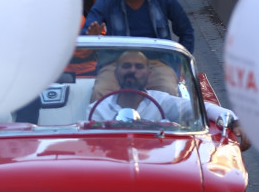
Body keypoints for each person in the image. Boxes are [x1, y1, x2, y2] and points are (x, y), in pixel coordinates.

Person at [84, 0, 194, 99]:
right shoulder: (108, 0)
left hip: (157, 63)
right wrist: (91, 37)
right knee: (99, 93)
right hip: (116, 64)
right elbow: (88, 28)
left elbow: (187, 32)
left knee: (168, 93)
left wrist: (178, 66)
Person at [88, 50, 246, 145]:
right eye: (126, 66)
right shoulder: (97, 109)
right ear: (116, 73)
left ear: (149, 75)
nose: (132, 71)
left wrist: (233, 119)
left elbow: (200, 108)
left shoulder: (161, 101)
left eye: (139, 66)